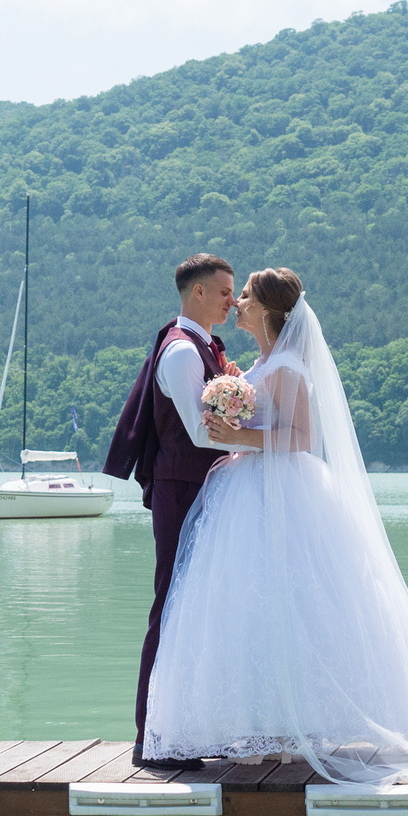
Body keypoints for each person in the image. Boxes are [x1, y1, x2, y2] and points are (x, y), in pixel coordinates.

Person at [141, 268, 408, 784]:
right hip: (249, 490)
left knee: (295, 603)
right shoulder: (260, 363)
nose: (237, 303)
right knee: (255, 606)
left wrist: (238, 438)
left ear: (268, 311)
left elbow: (299, 436)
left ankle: (289, 727)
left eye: (247, 297)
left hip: (281, 490)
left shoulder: (287, 367)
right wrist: (236, 422)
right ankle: (268, 726)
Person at [102, 253, 247, 762]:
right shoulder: (183, 353)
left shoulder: (205, 348)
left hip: (205, 489)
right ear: (198, 293)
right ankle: (152, 736)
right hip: (182, 490)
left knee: (203, 609)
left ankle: (193, 729)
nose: (233, 299)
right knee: (172, 604)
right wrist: (269, 444)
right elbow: (197, 431)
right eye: (226, 291)